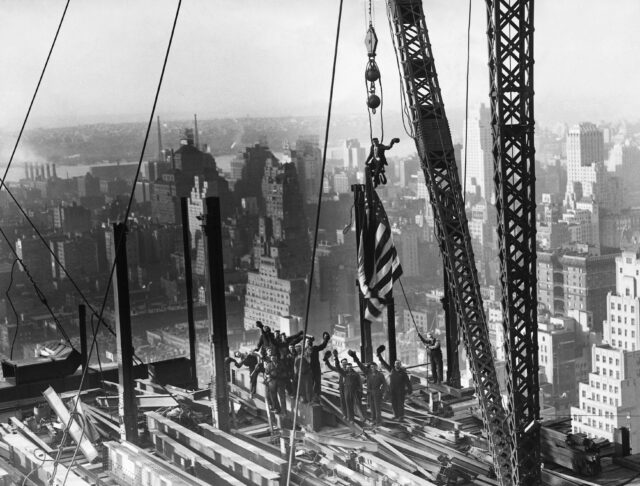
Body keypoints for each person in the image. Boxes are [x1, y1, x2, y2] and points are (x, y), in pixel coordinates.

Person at [349, 350, 388, 425]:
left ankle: (378, 421)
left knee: (377, 408)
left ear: (376, 367)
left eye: (373, 366)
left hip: (377, 392)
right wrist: (355, 357)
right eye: (371, 367)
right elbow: (361, 365)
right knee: (372, 408)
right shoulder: (368, 373)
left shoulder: (380, 375)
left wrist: (383, 392)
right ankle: (373, 420)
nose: (372, 368)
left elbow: (385, 384)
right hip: (370, 393)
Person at [377, 345, 412, 420]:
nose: (397, 365)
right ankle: (396, 415)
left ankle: (401, 416)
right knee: (394, 404)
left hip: (400, 391)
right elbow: (384, 363)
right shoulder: (391, 370)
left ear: (400, 365)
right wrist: (379, 357)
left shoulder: (403, 373)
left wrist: (410, 390)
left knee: (400, 404)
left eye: (398, 364)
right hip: (393, 391)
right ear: (394, 364)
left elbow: (408, 382)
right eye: (396, 363)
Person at [306, 331, 331, 402]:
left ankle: (317, 396)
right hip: (309, 369)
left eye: (310, 341)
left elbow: (323, 346)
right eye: (308, 342)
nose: (309, 343)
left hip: (316, 368)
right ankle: (312, 397)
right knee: (311, 383)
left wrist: (326, 339)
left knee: (317, 382)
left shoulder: (315, 348)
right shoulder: (305, 351)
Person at [323, 350, 349, 416]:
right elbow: (330, 367)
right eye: (343, 363)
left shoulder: (349, 370)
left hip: (348, 387)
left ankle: (349, 414)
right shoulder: (339, 369)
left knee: (348, 401)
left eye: (345, 363)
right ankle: (344, 414)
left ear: (347, 363)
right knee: (342, 401)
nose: (344, 364)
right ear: (341, 364)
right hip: (341, 387)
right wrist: (326, 360)